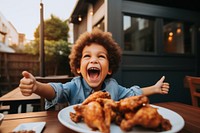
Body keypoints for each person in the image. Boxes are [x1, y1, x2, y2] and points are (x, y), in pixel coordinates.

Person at [19, 28, 170, 110]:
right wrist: (36, 86)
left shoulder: (114, 87)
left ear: (109, 69)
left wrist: (154, 88)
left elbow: (133, 93)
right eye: (87, 56)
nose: (93, 60)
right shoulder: (75, 85)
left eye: (101, 56)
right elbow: (55, 91)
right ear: (78, 67)